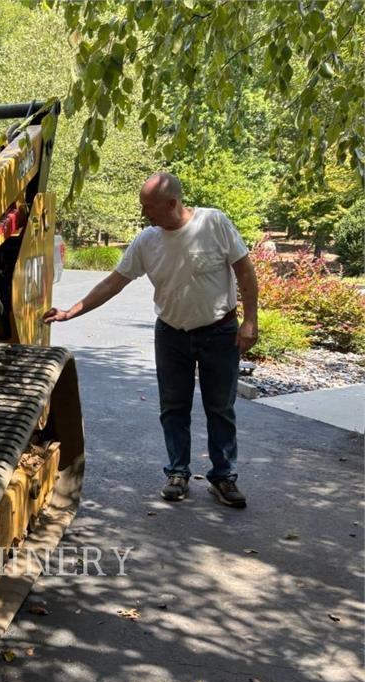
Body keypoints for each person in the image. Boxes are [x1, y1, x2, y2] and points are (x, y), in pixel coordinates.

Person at [43, 172, 259, 508]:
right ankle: (178, 473)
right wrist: (72, 311)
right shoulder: (148, 240)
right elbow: (113, 282)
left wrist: (250, 322)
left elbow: (245, 271)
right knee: (173, 408)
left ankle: (223, 477)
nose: (146, 213)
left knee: (220, 407)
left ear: (172, 203)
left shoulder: (214, 223)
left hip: (219, 331)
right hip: (172, 334)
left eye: (150, 206)